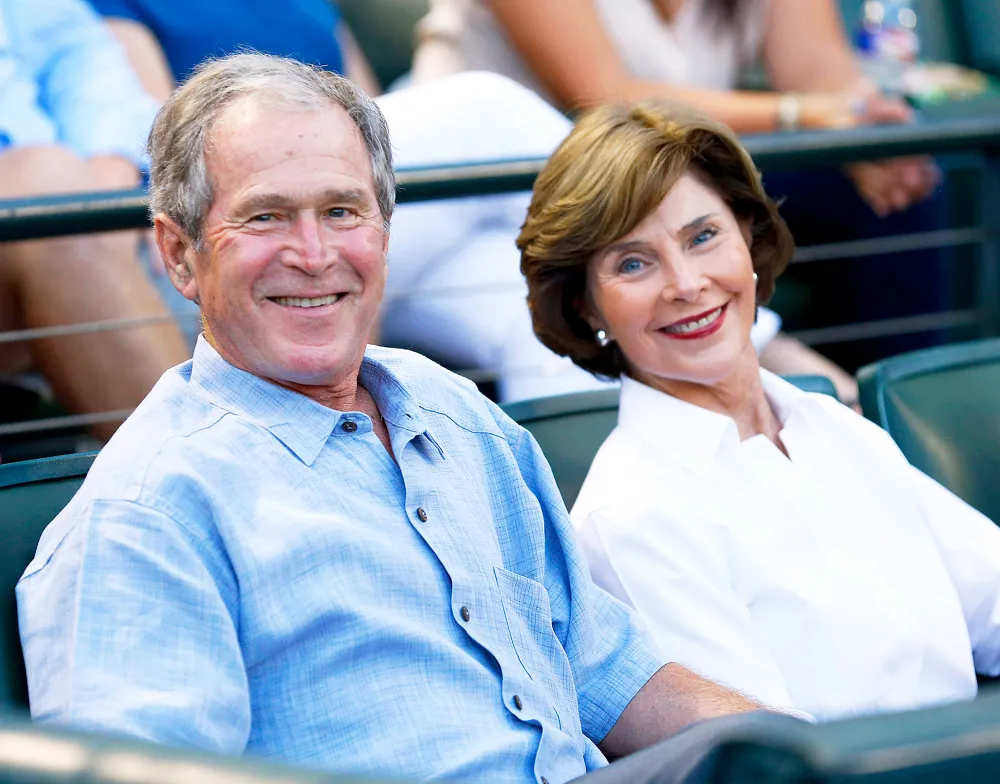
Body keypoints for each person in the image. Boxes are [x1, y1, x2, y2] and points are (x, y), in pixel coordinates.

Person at [16, 54, 803, 784]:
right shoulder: (145, 517)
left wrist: (823, 757)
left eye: (343, 210)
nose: (315, 252)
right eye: (265, 218)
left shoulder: (455, 415)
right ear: (179, 254)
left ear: (386, 232)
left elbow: (611, 674)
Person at [517, 100, 1000, 723]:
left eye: (703, 237)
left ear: (747, 235)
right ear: (587, 308)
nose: (686, 283)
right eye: (633, 263)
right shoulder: (630, 518)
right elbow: (774, 758)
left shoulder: (836, 428)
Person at [91, 0, 792, 404]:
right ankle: (763, 345)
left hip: (356, 226)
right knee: (486, 108)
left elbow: (355, 110)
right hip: (216, 237)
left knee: (526, 315)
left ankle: (602, 548)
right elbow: (167, 141)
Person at [414, 0, 952, 393]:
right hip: (480, 198)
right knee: (545, 302)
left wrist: (864, 131)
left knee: (898, 186)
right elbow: (600, 96)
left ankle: (906, 403)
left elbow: (822, 76)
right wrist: (806, 113)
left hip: (667, 183)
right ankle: (804, 380)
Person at [0, 0, 187, 441]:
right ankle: (217, 479)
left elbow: (76, 55)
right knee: (45, 187)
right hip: (47, 207)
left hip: (82, 217)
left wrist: (111, 165)